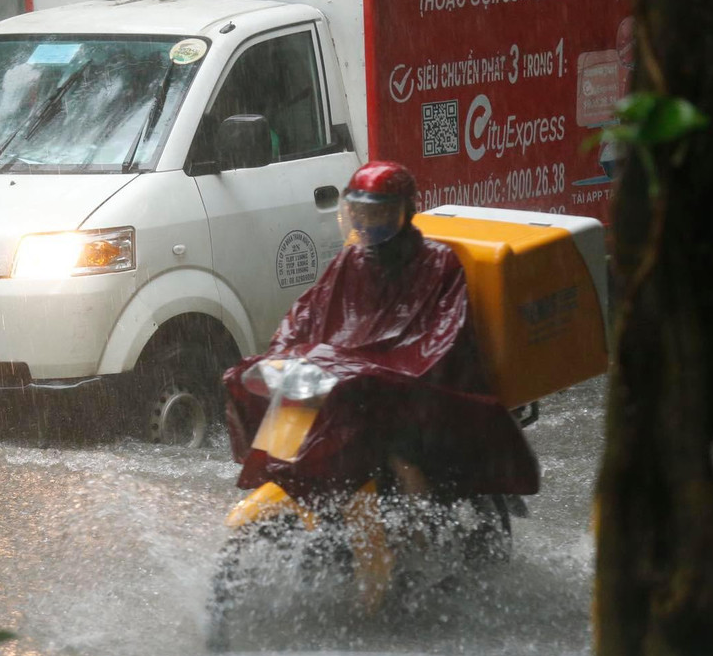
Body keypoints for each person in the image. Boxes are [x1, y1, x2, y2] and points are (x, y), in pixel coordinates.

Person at [222, 160, 539, 505]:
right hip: (349, 381)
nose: (367, 224)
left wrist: (383, 373)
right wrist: (280, 356)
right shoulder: (349, 261)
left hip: (411, 391)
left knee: (399, 452)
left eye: (378, 214)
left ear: (405, 212)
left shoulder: (438, 263)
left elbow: (443, 340)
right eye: (359, 213)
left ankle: (418, 518)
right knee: (279, 416)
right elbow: (304, 315)